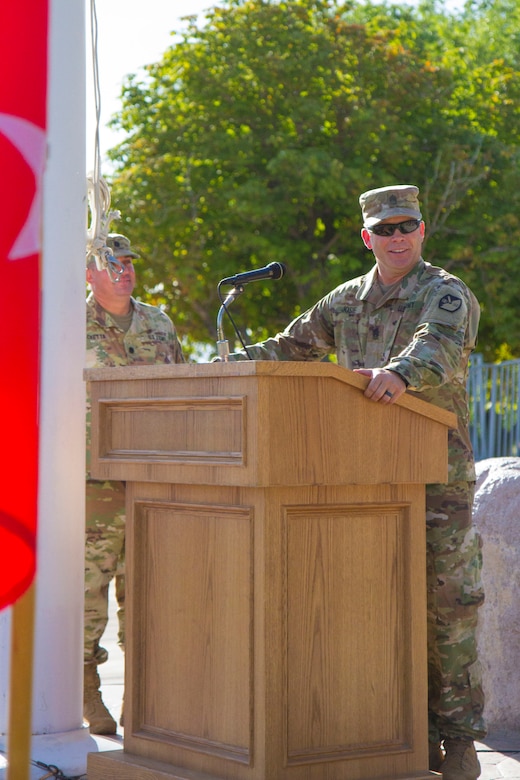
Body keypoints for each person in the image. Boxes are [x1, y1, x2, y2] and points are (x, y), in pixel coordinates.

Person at [223, 185, 486, 780]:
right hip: (356, 481)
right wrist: (222, 368)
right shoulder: (344, 301)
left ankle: (460, 738)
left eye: (407, 226)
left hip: (433, 479)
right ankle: (392, 730)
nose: (397, 237)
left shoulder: (444, 292)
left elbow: (438, 350)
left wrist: (397, 374)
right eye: (385, 229)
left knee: (447, 605)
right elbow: (288, 349)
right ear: (367, 238)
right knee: (372, 604)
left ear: (422, 232)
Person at [84, 233, 185, 734]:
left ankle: (143, 698)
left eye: (128, 262)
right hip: (91, 482)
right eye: (111, 263)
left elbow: (183, 390)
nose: (124, 270)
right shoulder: (65, 324)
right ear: (88, 273)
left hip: (152, 477)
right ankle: (85, 691)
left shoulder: (159, 323)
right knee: (88, 591)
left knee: (147, 594)